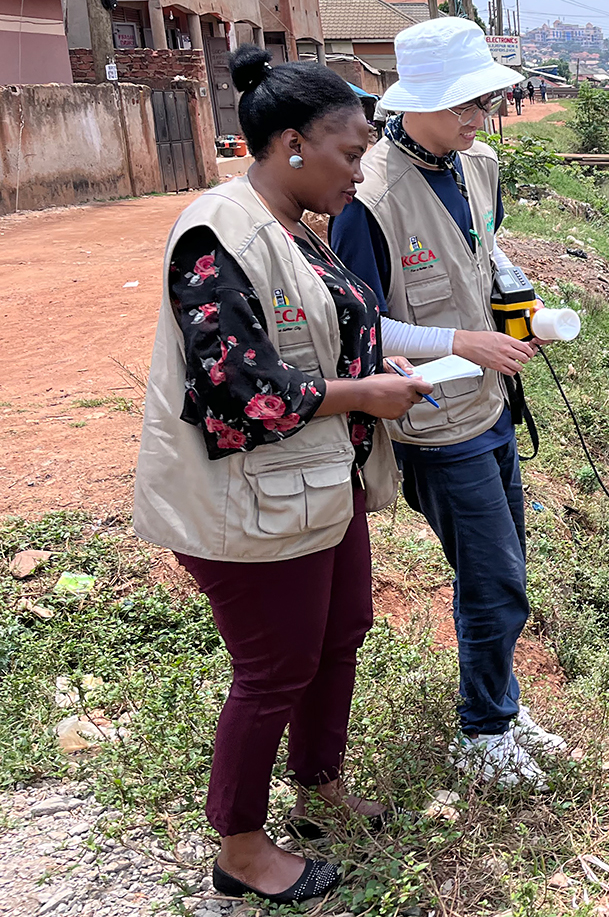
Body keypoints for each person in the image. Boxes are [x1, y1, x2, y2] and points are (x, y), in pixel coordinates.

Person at [133, 45, 433, 904]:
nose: (360, 172)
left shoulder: (300, 227)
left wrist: (407, 374)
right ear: (293, 144)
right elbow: (236, 392)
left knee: (342, 632)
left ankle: (320, 790)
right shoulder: (215, 232)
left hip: (317, 490)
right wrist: (362, 394)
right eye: (350, 154)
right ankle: (239, 844)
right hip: (251, 503)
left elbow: (339, 331)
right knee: (274, 668)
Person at [330, 17, 566, 787]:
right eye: (463, 105)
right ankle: (482, 730)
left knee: (502, 567)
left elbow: (485, 250)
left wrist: (521, 306)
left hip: (493, 406)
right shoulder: (370, 199)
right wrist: (464, 343)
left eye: (484, 102)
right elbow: (361, 323)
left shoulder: (479, 165)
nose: (478, 118)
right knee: (494, 577)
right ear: (414, 103)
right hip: (436, 424)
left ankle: (499, 701)